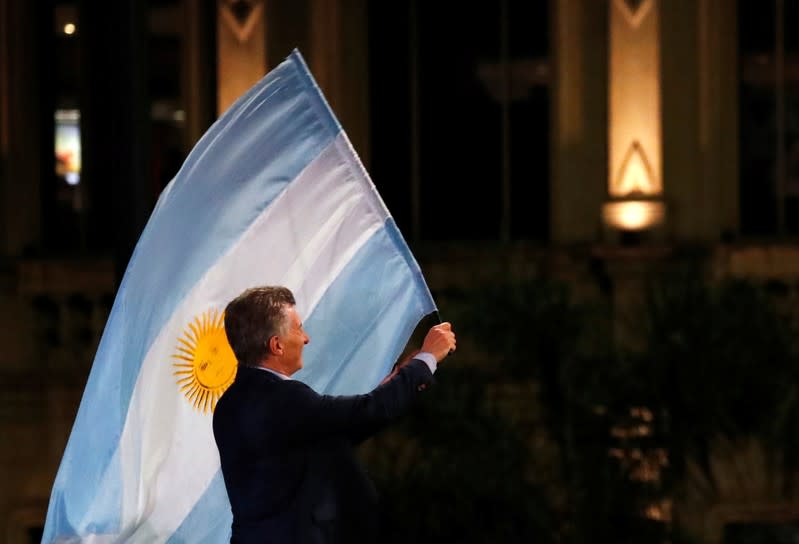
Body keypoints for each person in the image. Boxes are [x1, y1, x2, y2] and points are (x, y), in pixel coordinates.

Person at [213, 286, 456, 543]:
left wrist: (398, 380)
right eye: (298, 328)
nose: (306, 338)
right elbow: (368, 412)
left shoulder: (228, 405)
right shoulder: (285, 398)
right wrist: (428, 358)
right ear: (277, 345)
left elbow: (338, 429)